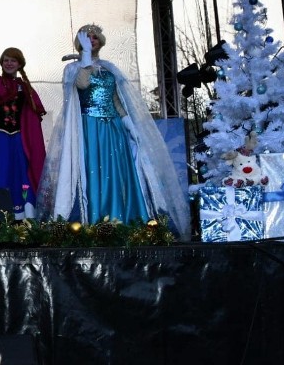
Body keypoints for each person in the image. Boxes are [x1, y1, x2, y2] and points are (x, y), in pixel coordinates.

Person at [38, 24, 191, 240]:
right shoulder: (73, 68)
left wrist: (128, 122)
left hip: (113, 128)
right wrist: (85, 58)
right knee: (93, 173)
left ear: (101, 41)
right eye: (86, 37)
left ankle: (125, 221)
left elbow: (117, 99)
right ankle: (97, 223)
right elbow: (82, 84)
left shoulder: (109, 68)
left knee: (118, 173)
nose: (91, 40)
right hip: (89, 129)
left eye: (94, 37)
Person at [0, 48, 46, 219]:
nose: (9, 63)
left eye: (13, 60)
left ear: (19, 64)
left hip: (18, 138)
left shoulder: (25, 86)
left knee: (20, 172)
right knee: (0, 170)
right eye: (6, 60)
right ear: (2, 63)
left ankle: (23, 213)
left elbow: (33, 112)